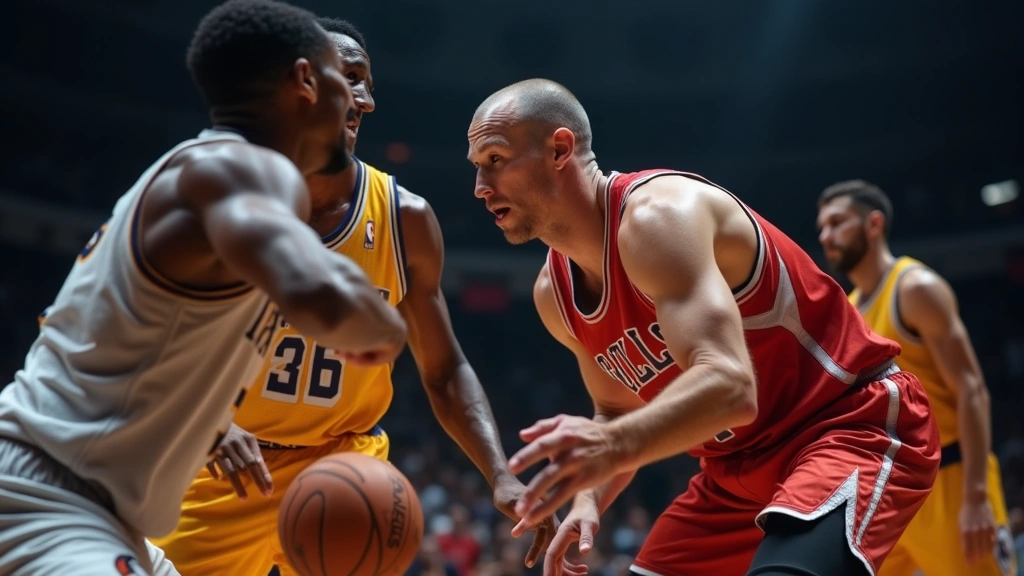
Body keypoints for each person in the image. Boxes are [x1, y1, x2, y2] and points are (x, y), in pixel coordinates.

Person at [466, 78, 941, 576]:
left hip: (845, 426)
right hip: (734, 474)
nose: (480, 187)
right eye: (476, 168)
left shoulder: (658, 217)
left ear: (560, 149)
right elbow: (613, 410)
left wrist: (609, 447)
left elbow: (731, 387)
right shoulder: (553, 294)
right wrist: (588, 497)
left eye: (495, 160)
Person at [0, 1, 410, 574]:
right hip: (50, 494)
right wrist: (379, 324)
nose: (357, 101)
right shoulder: (240, 170)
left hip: (104, 507)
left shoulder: (201, 173)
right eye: (346, 83)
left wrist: (217, 422)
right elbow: (326, 300)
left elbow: (158, 350)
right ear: (305, 82)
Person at [151, 18, 557, 576]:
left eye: (362, 79)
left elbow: (443, 370)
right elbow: (155, 340)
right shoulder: (217, 200)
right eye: (337, 77)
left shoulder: (404, 218)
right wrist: (215, 423)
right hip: (224, 462)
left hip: (344, 469)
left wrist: (500, 474)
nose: (358, 97)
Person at [816, 179, 1016, 576]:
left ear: (874, 224)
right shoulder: (850, 310)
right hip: (893, 490)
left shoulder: (915, 288)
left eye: (838, 222)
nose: (826, 236)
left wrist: (976, 495)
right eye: (822, 227)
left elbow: (973, 390)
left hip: (953, 480)